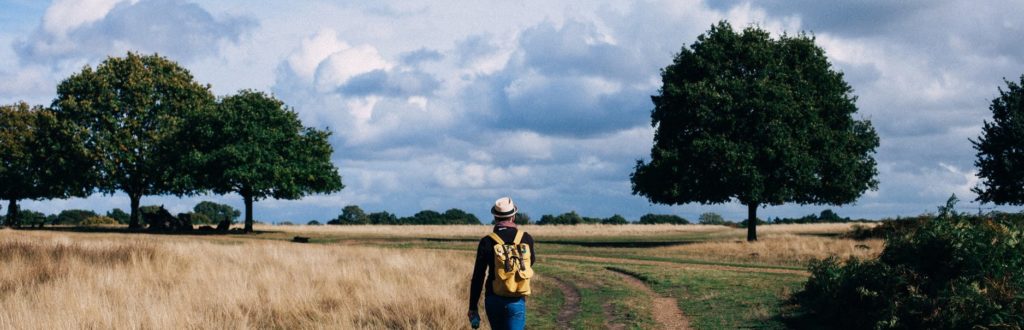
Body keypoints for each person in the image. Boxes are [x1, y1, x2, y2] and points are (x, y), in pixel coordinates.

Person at [468, 197, 536, 330]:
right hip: (516, 299)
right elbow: (530, 263)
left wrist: (473, 307)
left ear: (495, 217)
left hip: (493, 298)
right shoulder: (526, 238)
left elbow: (478, 276)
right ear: (513, 217)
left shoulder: (487, 241)